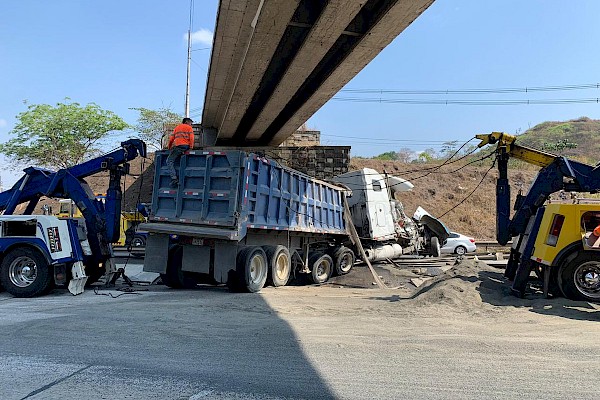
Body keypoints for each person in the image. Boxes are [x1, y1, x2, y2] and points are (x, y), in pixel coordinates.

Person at [166, 117, 195, 188]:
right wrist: (191, 147)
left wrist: (169, 148)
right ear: (187, 122)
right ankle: (174, 178)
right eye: (191, 123)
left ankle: (174, 178)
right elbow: (191, 138)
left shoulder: (177, 128)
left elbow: (171, 139)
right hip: (185, 146)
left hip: (179, 146)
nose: (191, 125)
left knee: (169, 161)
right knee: (172, 159)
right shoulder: (189, 128)